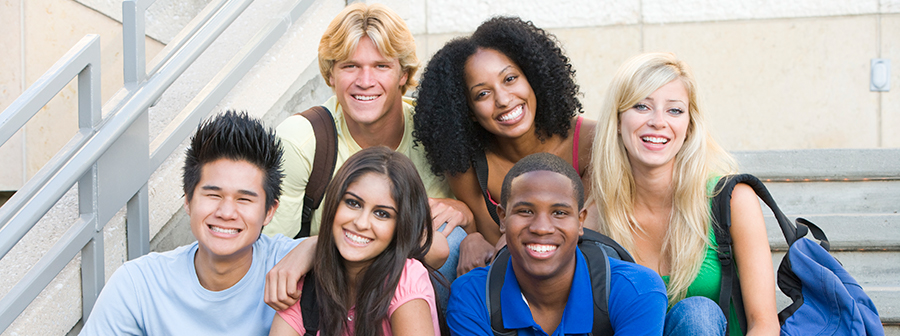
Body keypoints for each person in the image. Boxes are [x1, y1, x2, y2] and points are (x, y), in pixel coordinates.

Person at [263, 3, 471, 296]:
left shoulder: (435, 128)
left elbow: (490, 221)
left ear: (403, 73)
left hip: (417, 293)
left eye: (381, 66)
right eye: (350, 66)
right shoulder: (303, 138)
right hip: (330, 287)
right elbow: (272, 249)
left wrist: (466, 213)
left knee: (455, 242)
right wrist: (314, 245)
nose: (365, 81)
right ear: (331, 74)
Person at [590, 52, 779, 335]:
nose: (657, 121)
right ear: (617, 120)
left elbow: (764, 324)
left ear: (689, 126)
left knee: (697, 313)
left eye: (674, 110)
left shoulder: (731, 200)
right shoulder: (595, 213)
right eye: (641, 106)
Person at [80, 111, 316, 335]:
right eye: (213, 195)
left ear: (269, 211)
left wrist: (314, 247)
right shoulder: (138, 284)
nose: (226, 212)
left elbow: (348, 246)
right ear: (188, 200)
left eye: (244, 199)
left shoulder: (290, 266)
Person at [413, 16, 595, 276]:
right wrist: (471, 237)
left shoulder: (590, 143)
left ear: (532, 78)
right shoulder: (468, 164)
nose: (503, 99)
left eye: (510, 79)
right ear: (470, 112)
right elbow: (492, 248)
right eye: (482, 94)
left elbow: (584, 238)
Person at [446, 153, 667, 335]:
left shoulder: (635, 290)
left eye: (559, 212)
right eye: (525, 211)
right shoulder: (472, 296)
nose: (541, 228)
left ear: (580, 222)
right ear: (503, 218)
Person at [269, 147, 442, 336]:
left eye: (382, 214)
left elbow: (440, 250)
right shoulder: (308, 284)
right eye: (353, 203)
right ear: (335, 202)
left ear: (400, 226)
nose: (361, 223)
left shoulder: (404, 280)